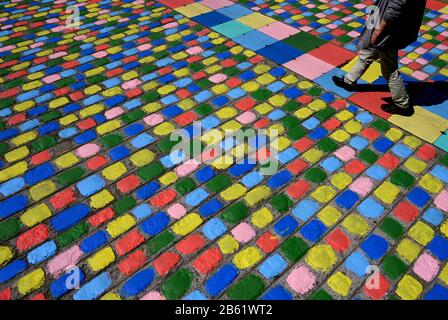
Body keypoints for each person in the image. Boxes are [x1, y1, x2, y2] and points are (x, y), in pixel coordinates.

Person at [332, 0, 427, 116]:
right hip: (389, 22)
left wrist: (378, 31)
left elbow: (395, 10)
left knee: (389, 69)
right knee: (368, 52)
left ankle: (402, 104)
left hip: (388, 28)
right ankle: (349, 81)